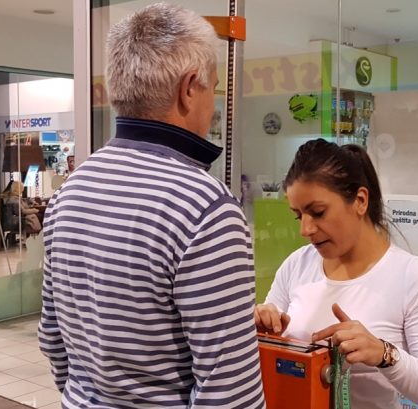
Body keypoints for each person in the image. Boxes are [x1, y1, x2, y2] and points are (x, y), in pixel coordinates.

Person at [38, 4, 265, 408]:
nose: (213, 106)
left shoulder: (69, 192)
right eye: (213, 89)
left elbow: (54, 341)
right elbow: (229, 391)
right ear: (189, 88)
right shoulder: (205, 209)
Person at [254, 139, 418, 409]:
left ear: (360, 201)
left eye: (318, 212)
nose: (305, 229)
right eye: (298, 215)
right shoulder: (296, 265)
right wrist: (262, 330)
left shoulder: (413, 277)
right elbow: (270, 358)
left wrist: (384, 354)